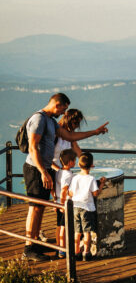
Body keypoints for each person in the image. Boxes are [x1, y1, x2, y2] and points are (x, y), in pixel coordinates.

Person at [23, 93, 109, 261]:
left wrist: (95, 132)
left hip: (44, 169)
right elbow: (33, 148)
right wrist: (43, 172)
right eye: (63, 108)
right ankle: (28, 249)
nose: (64, 113)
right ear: (57, 104)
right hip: (35, 169)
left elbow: (70, 137)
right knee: (34, 208)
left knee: (40, 208)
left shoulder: (50, 122)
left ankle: (33, 242)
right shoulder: (39, 119)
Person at [68, 152, 106, 262]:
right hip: (87, 208)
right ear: (91, 165)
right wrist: (102, 184)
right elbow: (95, 194)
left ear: (79, 165)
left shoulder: (75, 178)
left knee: (77, 232)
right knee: (86, 232)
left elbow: (70, 193)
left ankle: (76, 252)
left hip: (75, 207)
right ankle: (86, 252)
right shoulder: (91, 179)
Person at [54, 148, 77, 258]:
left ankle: (59, 246)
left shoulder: (59, 172)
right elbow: (64, 190)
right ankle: (63, 250)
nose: (76, 162)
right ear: (70, 162)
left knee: (59, 225)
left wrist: (56, 200)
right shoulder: (68, 174)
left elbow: (55, 188)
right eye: (74, 160)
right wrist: (63, 204)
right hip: (64, 204)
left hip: (57, 202)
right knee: (64, 226)